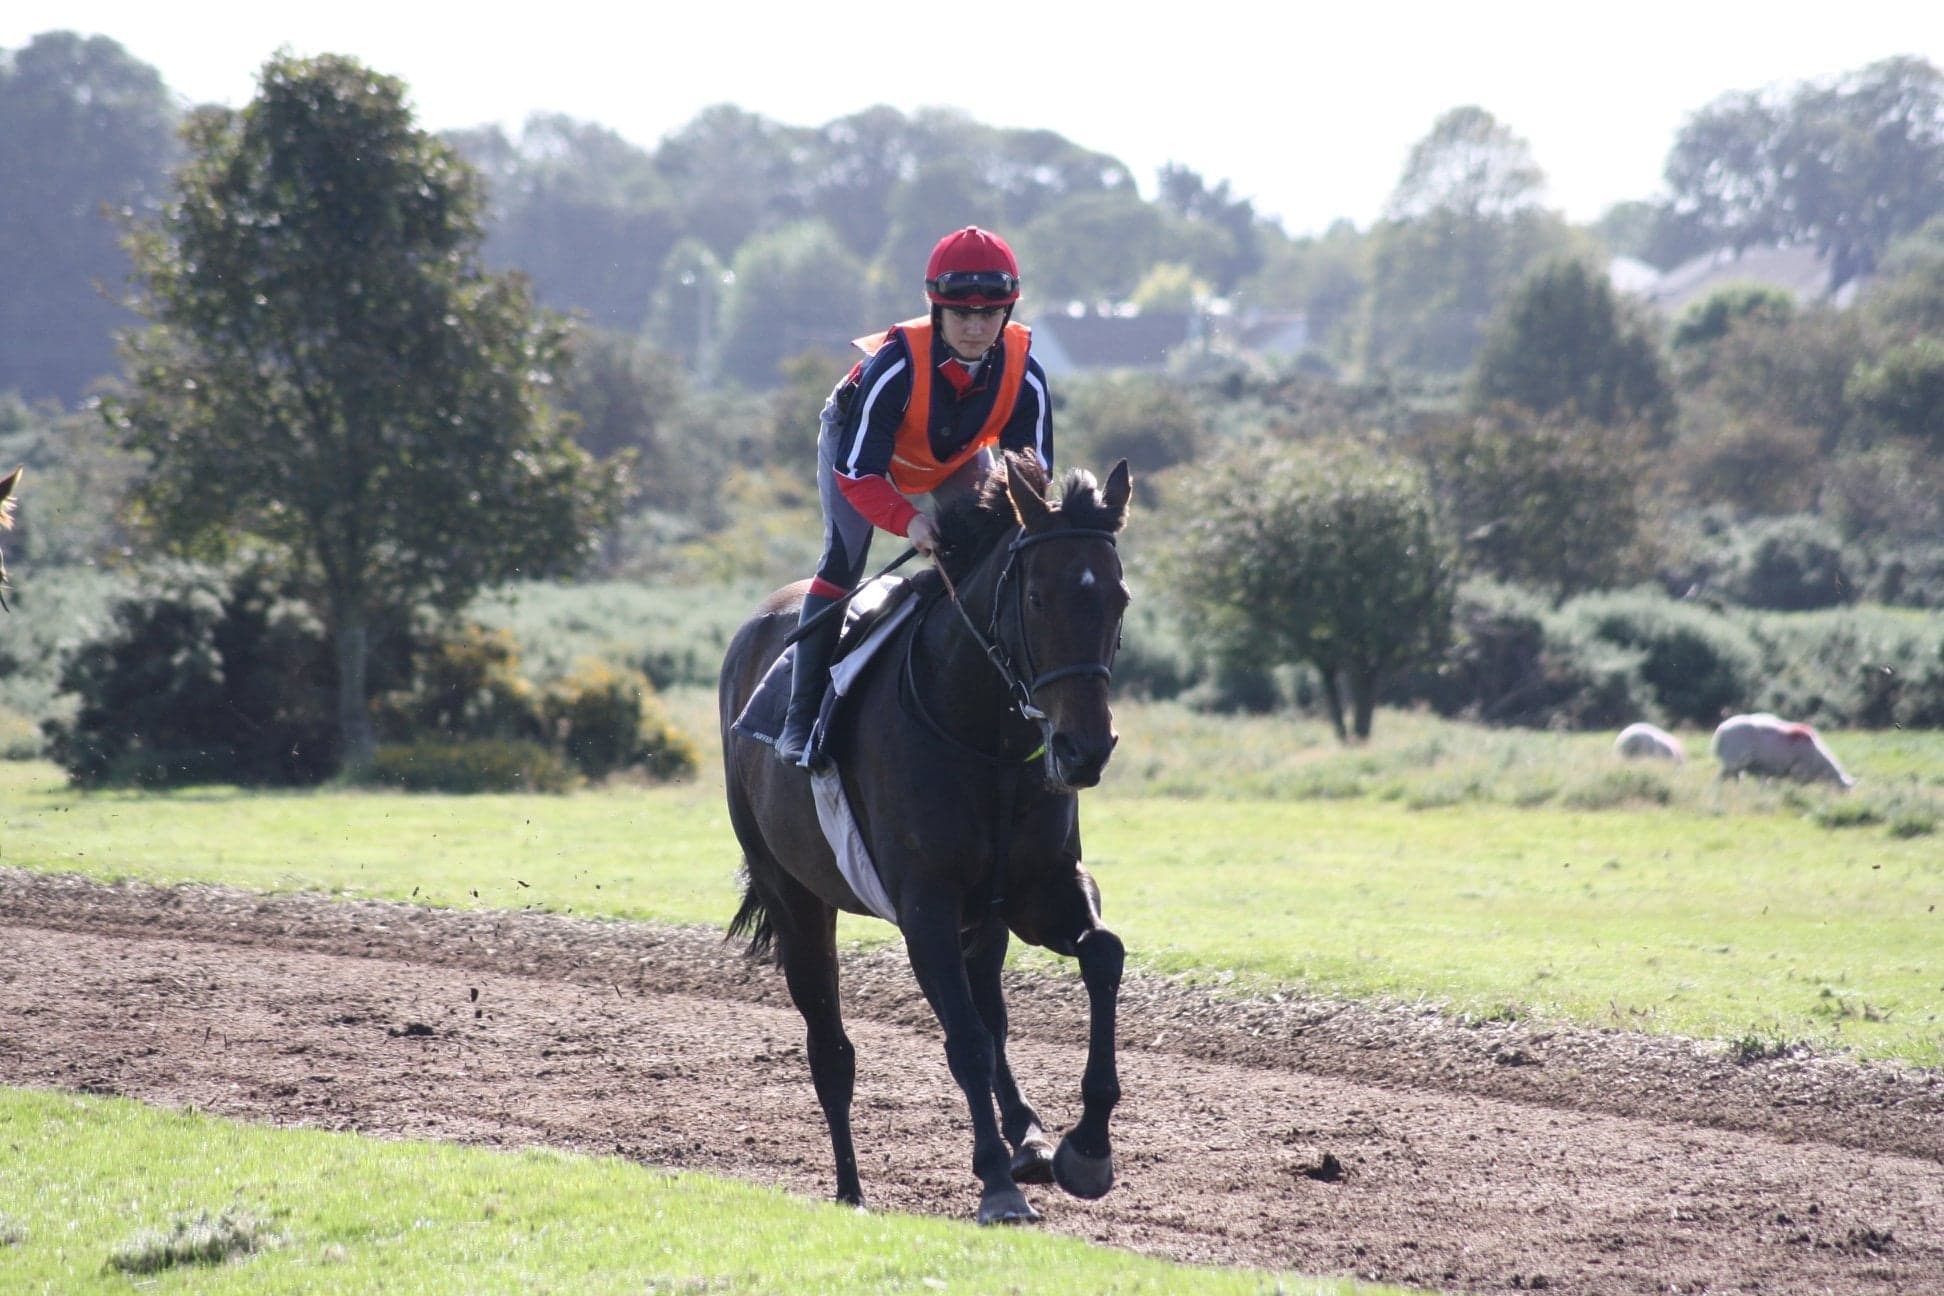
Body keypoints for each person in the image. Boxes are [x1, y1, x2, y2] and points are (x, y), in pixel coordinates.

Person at [773, 225, 1054, 767]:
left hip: (952, 454)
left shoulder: (1029, 376)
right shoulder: (896, 365)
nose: (975, 327)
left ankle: (1011, 703)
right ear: (936, 309)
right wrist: (910, 522)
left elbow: (1030, 487)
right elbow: (859, 474)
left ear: (1008, 311)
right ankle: (800, 716)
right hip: (862, 455)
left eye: (989, 313)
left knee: (993, 551)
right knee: (842, 562)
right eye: (961, 313)